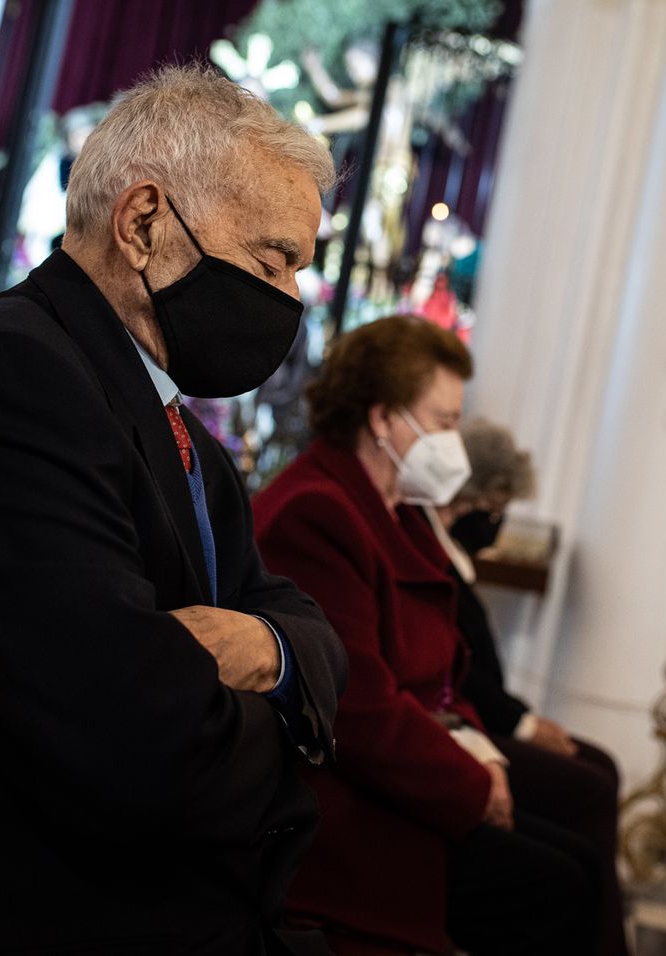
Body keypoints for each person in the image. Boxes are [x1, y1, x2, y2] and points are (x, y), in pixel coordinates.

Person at [0, 65, 348, 955]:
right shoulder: (5, 379)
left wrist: (271, 650)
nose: (288, 299)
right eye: (273, 260)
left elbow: (308, 628)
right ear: (142, 223)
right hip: (30, 913)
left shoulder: (177, 429)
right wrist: (287, 730)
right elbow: (137, 743)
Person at [253, 315, 597, 956]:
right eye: (442, 422)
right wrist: (469, 784)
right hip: (340, 799)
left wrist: (480, 750)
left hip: (408, 764)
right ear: (383, 420)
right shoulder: (317, 512)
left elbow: (442, 674)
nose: (454, 443)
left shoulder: (397, 510)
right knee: (559, 884)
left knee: (578, 845)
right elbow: (355, 708)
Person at [428, 417, 629, 956]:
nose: (497, 521)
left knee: (599, 771)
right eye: (494, 508)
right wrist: (517, 727)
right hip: (459, 731)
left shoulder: (450, 556)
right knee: (589, 792)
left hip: (473, 720)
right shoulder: (427, 550)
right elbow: (453, 674)